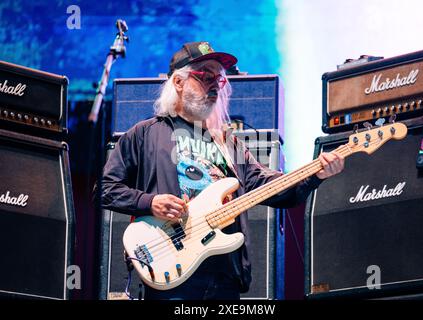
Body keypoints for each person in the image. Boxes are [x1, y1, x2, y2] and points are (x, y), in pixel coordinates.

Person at [100, 41, 344, 300]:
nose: (215, 84)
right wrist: (150, 202)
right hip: (171, 266)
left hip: (224, 274)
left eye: (219, 78)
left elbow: (271, 189)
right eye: (205, 76)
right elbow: (105, 189)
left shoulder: (228, 143)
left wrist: (315, 174)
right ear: (179, 83)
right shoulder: (145, 133)